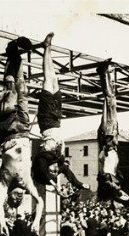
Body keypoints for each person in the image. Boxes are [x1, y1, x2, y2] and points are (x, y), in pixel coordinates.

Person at [0, 37, 43, 236]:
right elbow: (39, 202)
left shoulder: (5, 183)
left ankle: (10, 52)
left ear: (10, 196)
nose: (20, 195)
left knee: (10, 88)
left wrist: (1, 221)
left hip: (8, 131)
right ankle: (18, 54)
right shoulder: (27, 183)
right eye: (21, 197)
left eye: (16, 197)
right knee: (22, 90)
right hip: (23, 130)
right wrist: (36, 221)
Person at [31, 32, 89, 198]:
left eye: (53, 171)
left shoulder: (42, 159)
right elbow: (68, 173)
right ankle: (47, 48)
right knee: (54, 79)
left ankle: (46, 47)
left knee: (47, 79)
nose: (56, 169)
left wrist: (54, 186)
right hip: (56, 119)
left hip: (47, 120)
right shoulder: (57, 160)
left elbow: (43, 173)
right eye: (56, 171)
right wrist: (79, 184)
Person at [95, 60, 129, 207]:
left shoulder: (110, 183)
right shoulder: (115, 180)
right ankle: (105, 74)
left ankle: (103, 73)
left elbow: (110, 183)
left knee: (111, 100)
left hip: (109, 137)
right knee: (109, 101)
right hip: (110, 139)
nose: (125, 194)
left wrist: (120, 195)